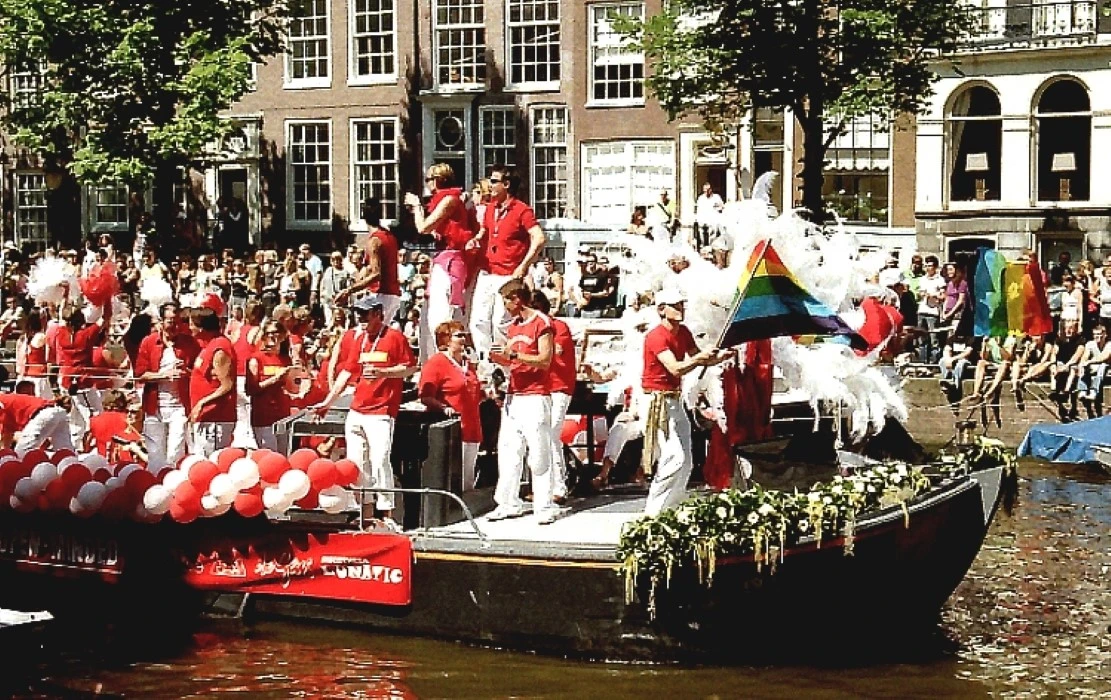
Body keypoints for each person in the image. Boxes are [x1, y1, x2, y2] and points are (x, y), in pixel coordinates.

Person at [313, 294, 417, 530]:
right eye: (357, 313)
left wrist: (385, 374)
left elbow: (410, 366)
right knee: (357, 464)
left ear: (378, 314)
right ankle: (366, 516)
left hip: (381, 411)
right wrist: (328, 402)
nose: (359, 318)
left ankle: (387, 514)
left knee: (380, 460)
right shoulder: (359, 340)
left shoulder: (394, 337)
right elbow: (347, 373)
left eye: (364, 313)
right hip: (357, 410)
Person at [640, 288, 730, 515]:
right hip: (656, 401)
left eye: (681, 304)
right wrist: (701, 358)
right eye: (675, 305)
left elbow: (701, 358)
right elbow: (676, 368)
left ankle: (670, 507)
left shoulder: (684, 332)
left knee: (687, 459)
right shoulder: (655, 336)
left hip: (673, 399)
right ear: (661, 310)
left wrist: (720, 356)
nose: (680, 309)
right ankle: (653, 511)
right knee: (674, 457)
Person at [487, 279, 557, 524]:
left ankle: (544, 505)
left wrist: (515, 354)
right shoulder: (514, 327)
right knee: (508, 450)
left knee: (538, 453)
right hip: (514, 394)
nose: (505, 306)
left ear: (517, 299)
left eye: (506, 300)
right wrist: (498, 357)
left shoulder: (542, 323)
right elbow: (513, 361)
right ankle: (507, 502)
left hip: (536, 395)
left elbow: (545, 359)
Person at [469, 165, 546, 357]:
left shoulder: (522, 210)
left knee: (500, 323)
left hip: (509, 273)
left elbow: (539, 237)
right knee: (477, 321)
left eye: (494, 181)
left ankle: (504, 366)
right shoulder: (490, 209)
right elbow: (484, 231)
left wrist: (524, 266)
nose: (490, 184)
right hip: (488, 271)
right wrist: (475, 240)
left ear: (506, 184)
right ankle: (486, 365)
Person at [404, 163, 477, 357]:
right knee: (428, 317)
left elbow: (424, 228)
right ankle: (431, 363)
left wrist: (417, 206)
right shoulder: (445, 200)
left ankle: (446, 359)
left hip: (451, 260)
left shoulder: (450, 200)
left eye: (428, 179)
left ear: (438, 180)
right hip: (442, 258)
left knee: (441, 316)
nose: (427, 183)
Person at [419, 321, 484, 491]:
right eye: (459, 335)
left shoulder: (468, 363)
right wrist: (442, 407)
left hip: (472, 427)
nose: (464, 339)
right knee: (452, 480)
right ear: (446, 340)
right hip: (451, 429)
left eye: (464, 335)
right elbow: (425, 396)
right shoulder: (436, 363)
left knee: (467, 479)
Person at [530, 291, 576, 503]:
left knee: (551, 434)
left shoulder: (559, 326)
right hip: (541, 388)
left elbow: (555, 351)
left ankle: (558, 487)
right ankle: (546, 486)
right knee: (541, 435)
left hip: (559, 387)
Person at [335, 198, 402, 324]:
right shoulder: (390, 236)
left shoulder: (374, 241)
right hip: (392, 294)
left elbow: (376, 274)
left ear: (363, 217)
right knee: (376, 336)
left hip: (382, 294)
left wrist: (349, 290)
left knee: (367, 335)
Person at [188, 307, 237, 454]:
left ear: (201, 328)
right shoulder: (209, 346)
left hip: (216, 419)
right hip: (205, 418)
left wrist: (202, 403)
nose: (189, 328)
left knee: (211, 461)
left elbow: (227, 385)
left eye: (191, 324)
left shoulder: (220, 348)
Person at [246, 320, 295, 450]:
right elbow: (251, 389)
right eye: (268, 333)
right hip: (264, 416)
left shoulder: (286, 359)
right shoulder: (256, 359)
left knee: (284, 456)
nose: (273, 336)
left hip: (283, 415)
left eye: (276, 333)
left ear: (283, 336)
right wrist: (275, 379)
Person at [229, 300, 265, 449]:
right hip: (248, 374)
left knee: (239, 410)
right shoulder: (258, 331)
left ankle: (239, 441)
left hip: (235, 374)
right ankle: (250, 442)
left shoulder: (236, 330)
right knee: (249, 408)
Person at [0, 392, 74, 453]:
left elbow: (6, 435)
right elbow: (7, 434)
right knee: (65, 452)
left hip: (43, 414)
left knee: (21, 453)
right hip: (57, 411)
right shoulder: (4, 400)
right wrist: (5, 452)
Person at [1049, 321, 1085, 420]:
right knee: (1053, 366)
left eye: (1071, 328)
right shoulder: (1060, 340)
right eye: (1066, 328)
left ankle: (1066, 391)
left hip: (1073, 365)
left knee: (1072, 368)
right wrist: (1053, 365)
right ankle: (1053, 391)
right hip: (1062, 365)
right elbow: (1054, 353)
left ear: (1075, 329)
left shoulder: (1080, 340)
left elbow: (1076, 357)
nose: (1068, 330)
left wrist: (1065, 367)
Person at [1012, 333, 1056, 412]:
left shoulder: (1047, 346)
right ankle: (1015, 386)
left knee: (1046, 364)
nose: (1036, 338)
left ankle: (1023, 380)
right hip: (1030, 370)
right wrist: (1027, 351)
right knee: (1015, 364)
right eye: (1034, 336)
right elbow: (1023, 362)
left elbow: (1043, 361)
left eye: (1038, 336)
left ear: (1043, 337)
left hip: (1042, 371)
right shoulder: (1029, 345)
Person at [15, 308, 50, 399]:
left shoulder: (22, 338)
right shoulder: (42, 337)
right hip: (38, 378)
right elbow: (48, 358)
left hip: (23, 378)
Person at [1077, 324, 1109, 418]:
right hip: (1094, 368)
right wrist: (1082, 364)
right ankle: (1082, 389)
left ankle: (1094, 391)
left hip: (1106, 369)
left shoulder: (1109, 344)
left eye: (1100, 334)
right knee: (1083, 366)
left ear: (1105, 335)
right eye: (1095, 334)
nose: (1097, 337)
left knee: (1102, 366)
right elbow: (1084, 357)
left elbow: (1104, 357)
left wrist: (1089, 362)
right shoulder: (1090, 344)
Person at [938, 334, 976, 408]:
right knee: (942, 361)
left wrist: (953, 359)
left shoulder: (971, 338)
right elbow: (946, 349)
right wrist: (948, 359)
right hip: (953, 363)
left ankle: (955, 385)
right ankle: (947, 379)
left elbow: (967, 353)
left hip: (967, 363)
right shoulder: (952, 338)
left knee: (961, 363)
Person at [318, 251, 352, 326]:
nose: (336, 261)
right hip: (328, 300)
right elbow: (323, 283)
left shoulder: (345, 272)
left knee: (340, 321)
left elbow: (348, 287)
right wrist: (321, 297)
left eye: (338, 259)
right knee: (329, 322)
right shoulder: (328, 270)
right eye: (333, 259)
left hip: (340, 302)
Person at [693, 182, 724, 248]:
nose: (706, 191)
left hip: (713, 221)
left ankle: (710, 248)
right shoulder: (701, 198)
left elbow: (722, 207)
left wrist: (717, 209)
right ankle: (704, 248)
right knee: (702, 237)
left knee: (712, 236)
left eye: (708, 189)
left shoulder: (716, 197)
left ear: (711, 189)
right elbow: (698, 210)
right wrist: (697, 220)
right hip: (703, 221)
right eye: (705, 189)